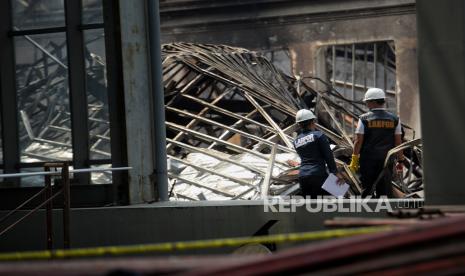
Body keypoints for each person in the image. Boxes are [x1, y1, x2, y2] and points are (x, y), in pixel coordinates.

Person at [348, 88, 405, 197]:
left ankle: (367, 212)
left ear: (373, 102)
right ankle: (383, 213)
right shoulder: (395, 119)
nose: (366, 104)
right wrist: (401, 160)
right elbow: (398, 142)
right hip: (386, 161)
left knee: (367, 190)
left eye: (367, 102)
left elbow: (358, 141)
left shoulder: (363, 119)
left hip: (368, 161)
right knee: (384, 191)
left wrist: (354, 160)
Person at [287, 109, 343, 198]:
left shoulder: (296, 141)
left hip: (303, 177)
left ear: (299, 124)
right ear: (313, 121)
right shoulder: (318, 135)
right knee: (333, 202)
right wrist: (335, 173)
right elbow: (328, 156)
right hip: (318, 175)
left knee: (310, 207)